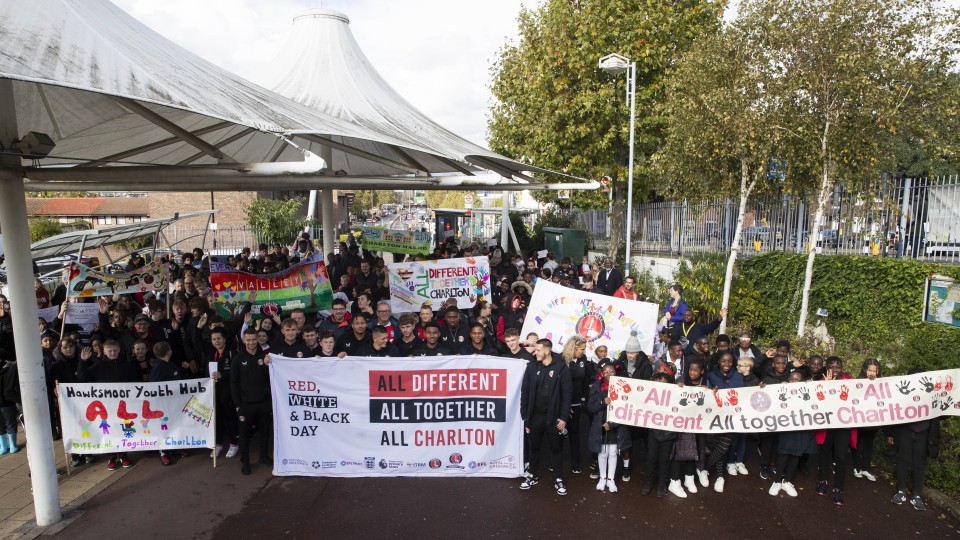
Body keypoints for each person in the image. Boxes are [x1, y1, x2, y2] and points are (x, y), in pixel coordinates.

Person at [77, 339, 141, 470]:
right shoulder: (99, 365)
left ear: (119, 350)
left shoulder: (128, 364)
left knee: (123, 430)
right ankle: (111, 457)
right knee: (109, 431)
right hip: (107, 407)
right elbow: (82, 376)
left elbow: (137, 381)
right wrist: (83, 361)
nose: (112, 353)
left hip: (124, 406)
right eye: (109, 351)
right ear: (104, 351)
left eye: (115, 350)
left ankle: (124, 455)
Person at [519, 339, 572, 496]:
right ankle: (533, 475)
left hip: (554, 418)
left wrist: (563, 418)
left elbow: (567, 395)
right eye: (535, 350)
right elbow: (525, 392)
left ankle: (558, 478)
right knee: (534, 448)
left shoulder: (561, 368)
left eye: (538, 350)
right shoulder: (531, 367)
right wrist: (525, 417)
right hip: (534, 417)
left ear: (547, 351)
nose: (535, 353)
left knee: (556, 449)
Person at [889, 368, 941, 511]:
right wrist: (891, 433)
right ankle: (901, 491)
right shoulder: (902, 394)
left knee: (919, 464)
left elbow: (942, 412)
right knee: (903, 461)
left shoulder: (932, 394)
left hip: (924, 433)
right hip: (905, 431)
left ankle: (917, 495)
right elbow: (892, 411)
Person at [768, 370, 817, 498]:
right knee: (783, 453)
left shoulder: (807, 390)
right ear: (788, 379)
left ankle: (788, 481)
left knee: (796, 454)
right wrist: (781, 387)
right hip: (787, 427)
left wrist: (809, 387)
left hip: (802, 427)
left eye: (797, 379)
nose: (794, 381)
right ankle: (777, 481)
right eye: (792, 379)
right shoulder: (783, 389)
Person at [231, 328, 271, 475]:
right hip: (245, 405)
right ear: (244, 340)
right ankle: (245, 461)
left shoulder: (265, 357)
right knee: (243, 435)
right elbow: (234, 383)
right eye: (248, 339)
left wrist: (267, 366)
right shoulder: (238, 359)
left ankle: (264, 456)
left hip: (263, 403)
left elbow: (270, 379)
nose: (251, 342)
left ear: (258, 340)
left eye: (254, 339)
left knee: (265, 432)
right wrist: (237, 404)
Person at [587, 360, 630, 493]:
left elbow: (627, 409)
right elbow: (590, 407)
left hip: (615, 425)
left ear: (615, 372)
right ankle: (602, 478)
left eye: (611, 371)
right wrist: (602, 402)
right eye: (605, 371)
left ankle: (611, 479)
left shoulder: (623, 387)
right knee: (602, 452)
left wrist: (612, 424)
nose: (608, 374)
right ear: (601, 373)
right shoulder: (596, 387)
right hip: (600, 424)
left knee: (613, 452)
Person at [815, 356, 854, 506]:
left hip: (843, 425)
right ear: (826, 368)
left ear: (842, 367)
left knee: (841, 457)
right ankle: (822, 480)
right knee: (824, 453)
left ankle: (838, 489)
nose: (835, 369)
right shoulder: (820, 382)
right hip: (826, 424)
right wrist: (828, 386)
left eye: (838, 366)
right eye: (832, 366)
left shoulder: (850, 381)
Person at [642, 368, 678, 498]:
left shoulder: (675, 394)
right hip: (653, 432)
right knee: (651, 458)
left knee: (664, 460)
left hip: (668, 434)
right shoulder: (651, 395)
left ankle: (662, 484)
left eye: (664, 383)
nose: (660, 386)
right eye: (658, 383)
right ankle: (648, 483)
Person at [207, 328, 239, 459]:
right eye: (214, 339)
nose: (216, 341)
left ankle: (234, 443)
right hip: (215, 392)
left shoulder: (232, 353)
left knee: (230, 418)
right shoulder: (211, 354)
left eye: (219, 338)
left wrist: (222, 375)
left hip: (229, 392)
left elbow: (237, 372)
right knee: (217, 419)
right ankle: (218, 444)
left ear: (224, 339)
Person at [149, 341, 182, 466]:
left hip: (173, 403)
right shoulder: (158, 368)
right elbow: (154, 388)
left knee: (173, 425)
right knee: (163, 427)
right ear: (169, 351)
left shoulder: (170, 364)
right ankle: (163, 451)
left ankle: (172, 447)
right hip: (162, 405)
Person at [561, 336, 588, 474]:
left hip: (576, 401)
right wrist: (564, 405)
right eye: (581, 349)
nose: (583, 352)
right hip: (562, 402)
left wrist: (584, 398)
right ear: (573, 348)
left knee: (575, 432)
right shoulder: (562, 360)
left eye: (584, 349)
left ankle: (576, 462)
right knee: (558, 433)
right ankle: (556, 462)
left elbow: (585, 379)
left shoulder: (583, 359)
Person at [853, 358, 881, 482]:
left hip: (873, 420)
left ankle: (866, 468)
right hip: (859, 419)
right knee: (857, 444)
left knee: (869, 445)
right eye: (869, 370)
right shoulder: (857, 382)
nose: (872, 373)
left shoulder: (882, 384)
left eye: (874, 371)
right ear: (865, 370)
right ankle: (857, 467)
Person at [0, 348, 19, 455]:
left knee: (10, 423)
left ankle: (12, 444)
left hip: (8, 403)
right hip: (4, 403)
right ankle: (3, 445)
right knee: (1, 425)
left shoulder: (8, 370)